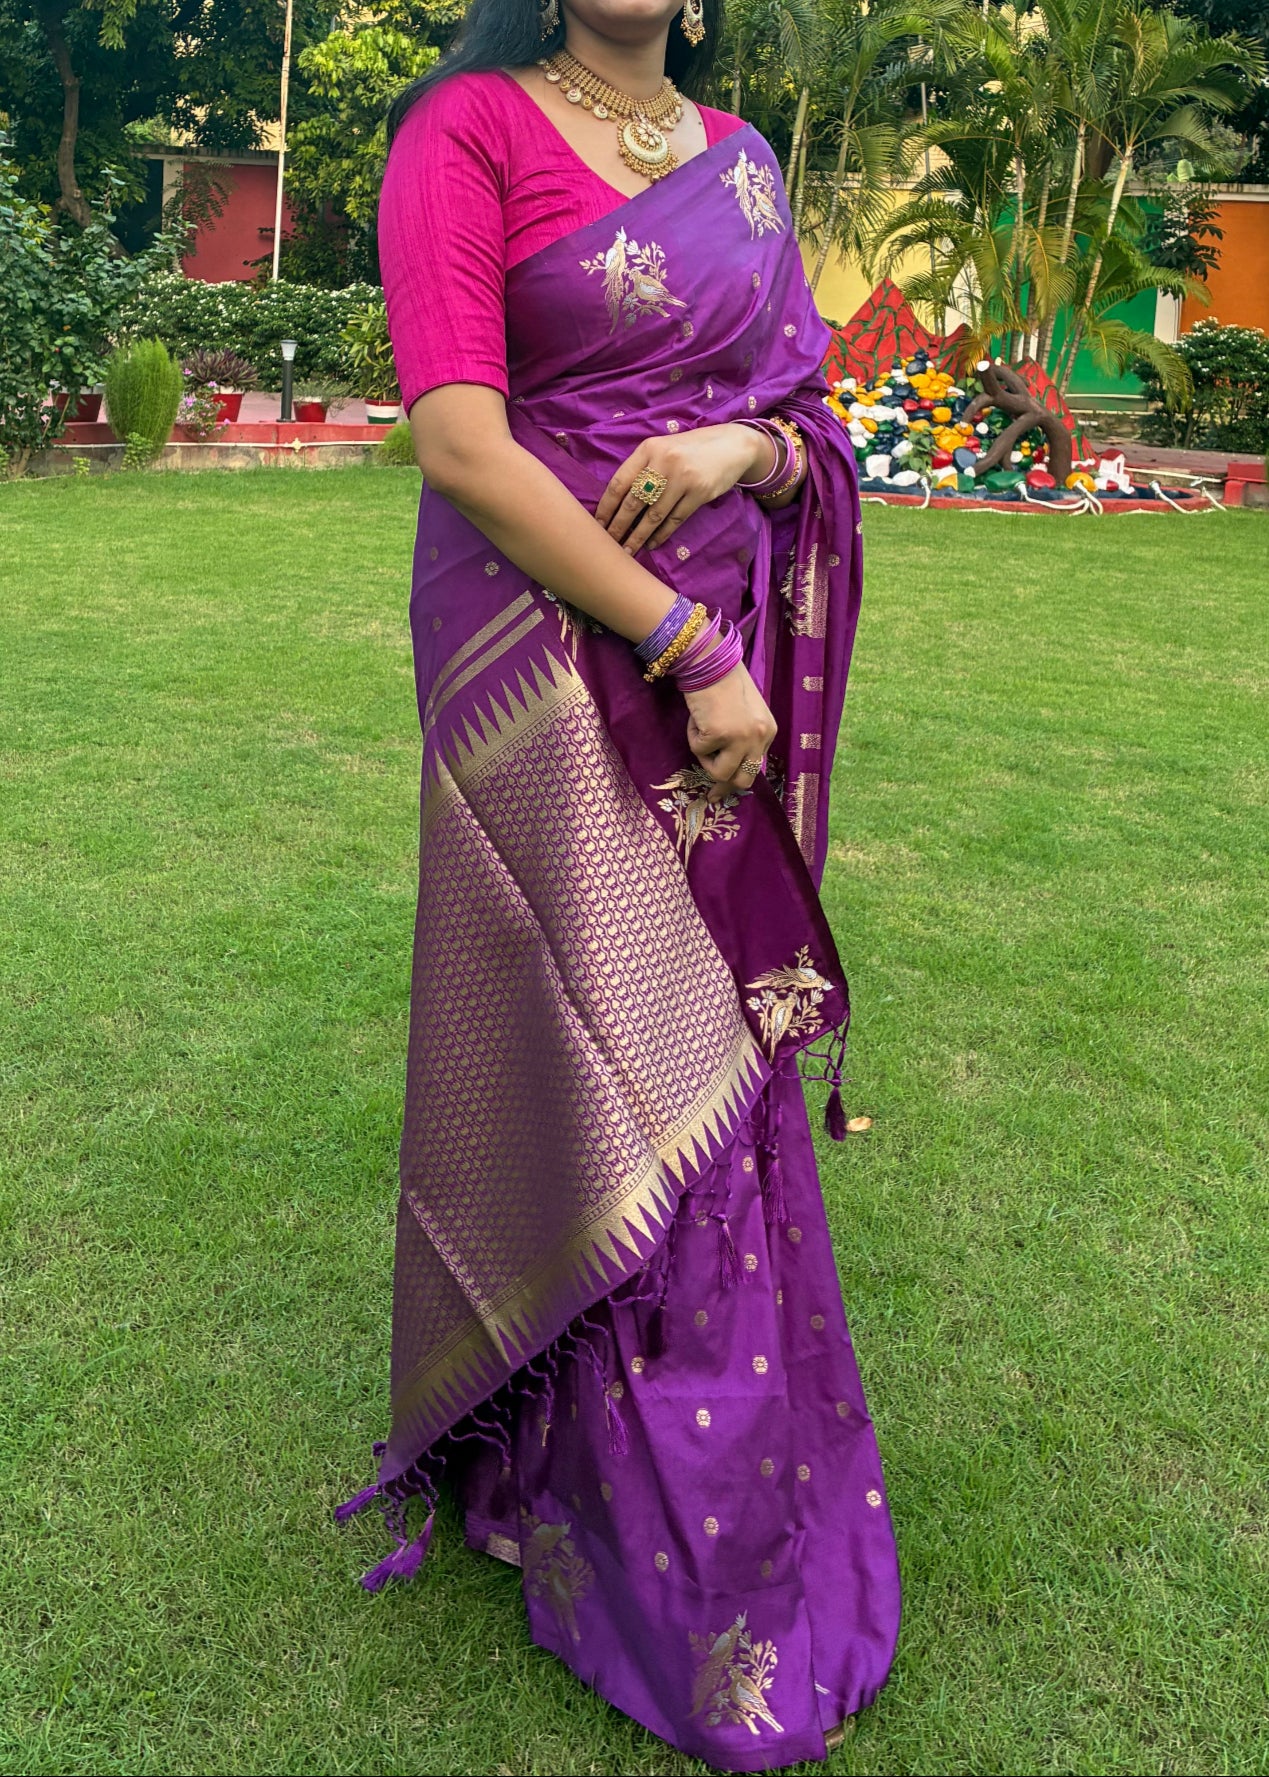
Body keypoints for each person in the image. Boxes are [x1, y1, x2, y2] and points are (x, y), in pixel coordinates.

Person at [340, 0, 901, 1764]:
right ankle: (599, 1503)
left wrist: (740, 455)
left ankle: (686, 1498)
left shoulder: (738, 163)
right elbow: (459, 442)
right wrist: (678, 637)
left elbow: (805, 415)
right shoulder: (467, 133)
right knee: (608, 1039)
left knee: (715, 1065)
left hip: (718, 643)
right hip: (551, 656)